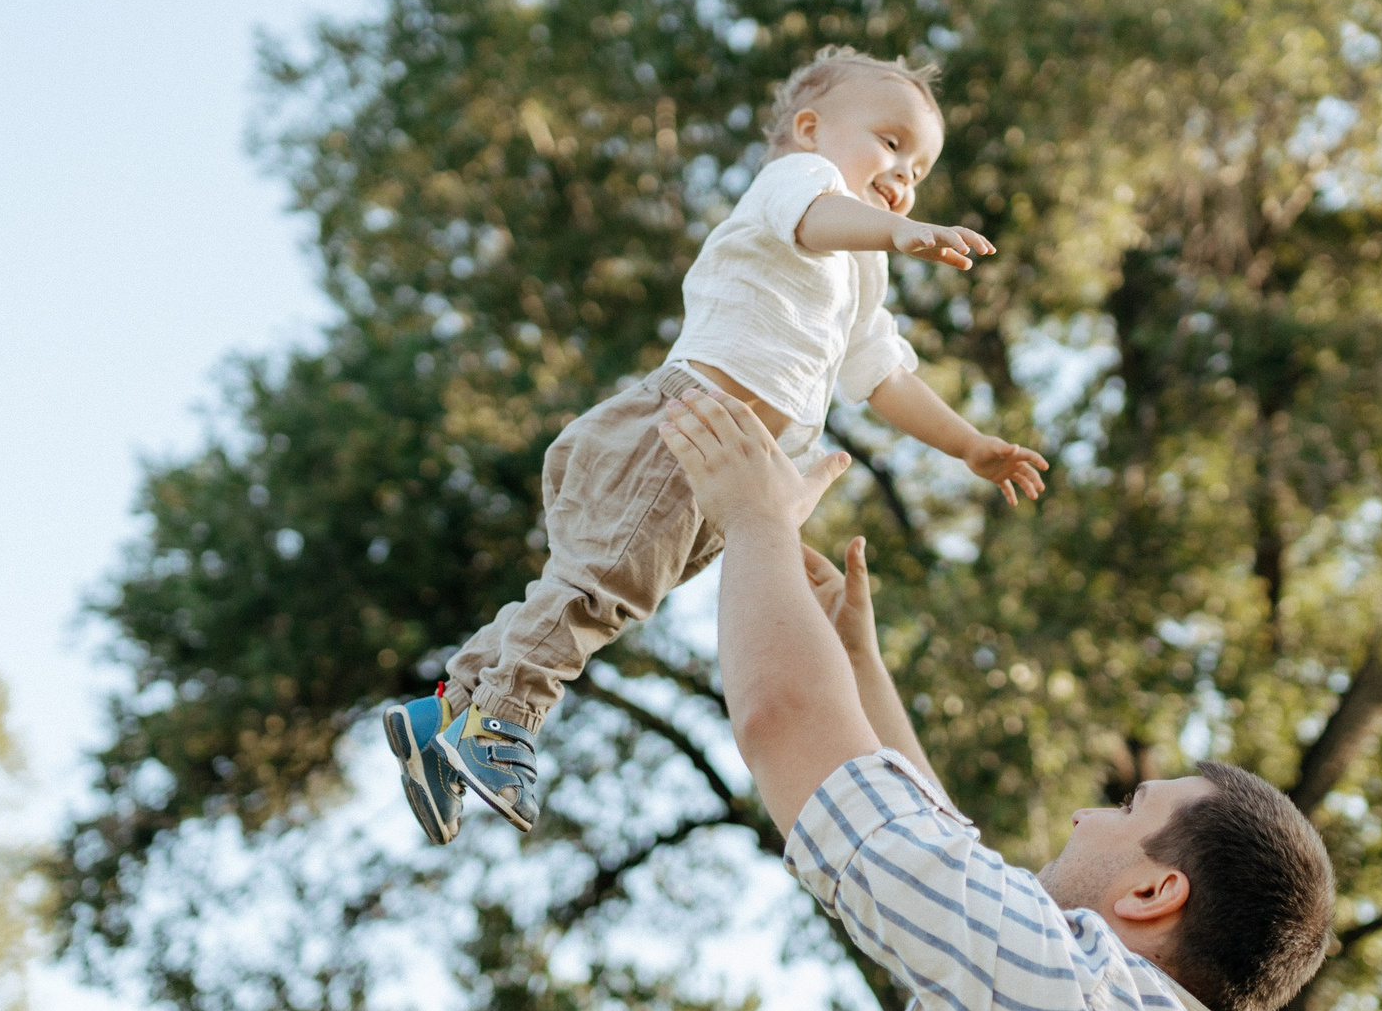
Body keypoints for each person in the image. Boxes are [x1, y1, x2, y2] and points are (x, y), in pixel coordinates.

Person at [653, 386, 1337, 1011]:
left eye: (1123, 806)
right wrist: (859, 673)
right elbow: (949, 870)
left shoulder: (1073, 1007)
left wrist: (750, 514)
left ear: (1155, 891)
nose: (1078, 814)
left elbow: (781, 718)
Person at [385, 46, 1050, 840]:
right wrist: (901, 231)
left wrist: (969, 444)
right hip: (686, 425)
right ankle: (503, 719)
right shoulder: (800, 183)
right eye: (892, 141)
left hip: (727, 475)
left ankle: (445, 711)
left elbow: (882, 372)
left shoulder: (862, 272)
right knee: (601, 585)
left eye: (921, 167)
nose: (905, 173)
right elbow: (823, 219)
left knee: (604, 590)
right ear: (810, 128)